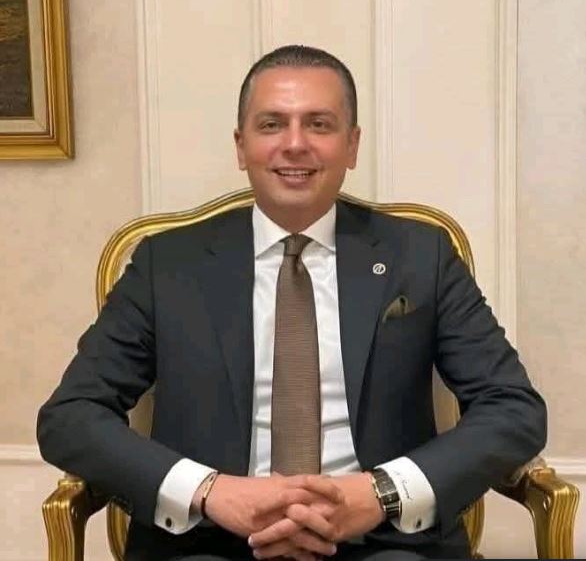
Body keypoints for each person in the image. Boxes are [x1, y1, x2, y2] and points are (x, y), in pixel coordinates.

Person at [37, 45, 546, 560]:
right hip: (207, 540)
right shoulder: (166, 264)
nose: (295, 144)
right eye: (272, 124)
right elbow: (71, 416)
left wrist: (380, 494)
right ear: (241, 146)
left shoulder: (420, 256)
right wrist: (211, 491)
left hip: (384, 540)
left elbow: (513, 409)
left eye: (319, 125)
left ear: (352, 145)